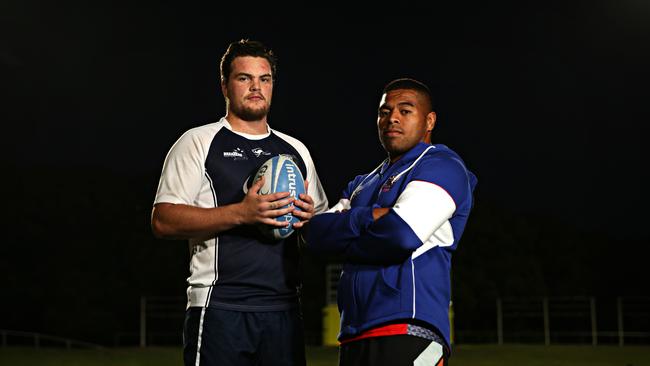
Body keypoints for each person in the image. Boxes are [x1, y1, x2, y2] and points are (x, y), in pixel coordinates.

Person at [151, 39, 328, 366]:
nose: (256, 87)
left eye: (265, 79)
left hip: (284, 311)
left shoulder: (296, 151)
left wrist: (309, 223)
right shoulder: (198, 142)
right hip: (220, 308)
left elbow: (319, 229)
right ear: (225, 86)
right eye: (244, 78)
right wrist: (242, 213)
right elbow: (163, 220)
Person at [307, 78, 477, 366]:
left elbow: (400, 234)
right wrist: (372, 215)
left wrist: (348, 235)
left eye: (405, 110)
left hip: (410, 328)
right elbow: (315, 234)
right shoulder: (362, 184)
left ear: (429, 120)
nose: (392, 118)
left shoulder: (442, 166)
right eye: (384, 111)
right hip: (354, 334)